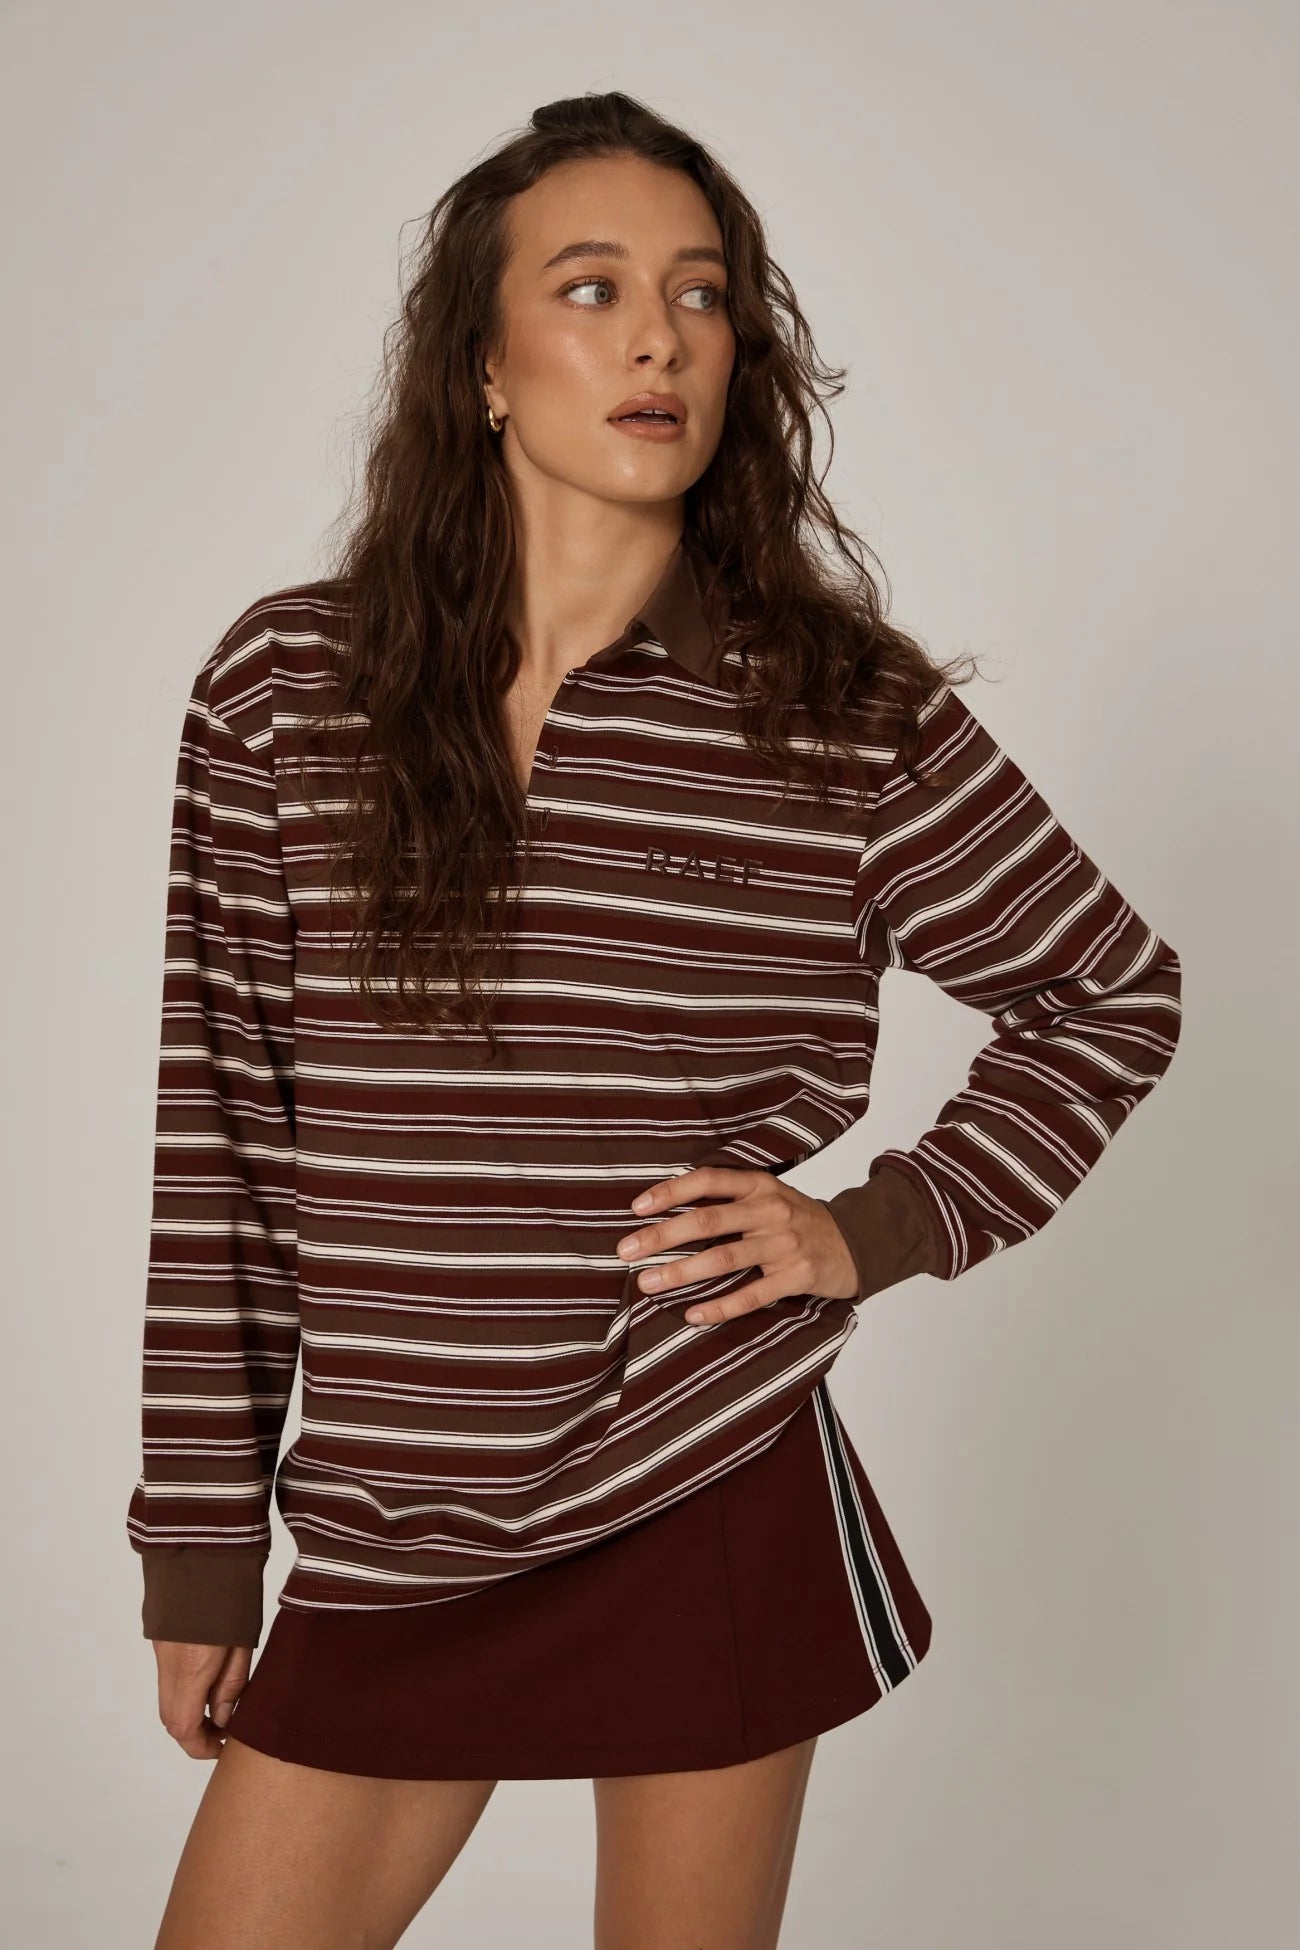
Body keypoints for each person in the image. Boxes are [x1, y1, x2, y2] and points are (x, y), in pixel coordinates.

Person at [128, 90, 1183, 1950]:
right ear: (482, 363)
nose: (655, 338)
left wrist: (863, 1231)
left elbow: (1106, 989)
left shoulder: (842, 717)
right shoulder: (289, 689)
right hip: (393, 1511)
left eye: (701, 297)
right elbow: (226, 1142)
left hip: (697, 1466)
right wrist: (200, 1541)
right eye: (593, 286)